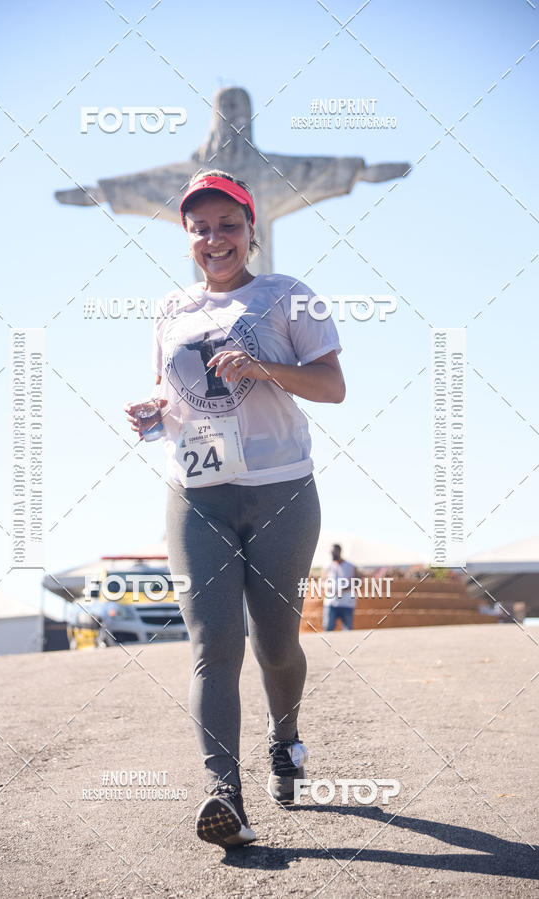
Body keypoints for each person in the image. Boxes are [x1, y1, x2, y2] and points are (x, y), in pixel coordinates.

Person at [125, 170, 345, 849]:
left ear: (251, 229)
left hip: (281, 490)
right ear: (187, 237)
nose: (214, 238)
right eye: (201, 228)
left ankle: (286, 740)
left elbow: (332, 386)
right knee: (214, 644)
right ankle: (226, 797)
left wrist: (262, 367)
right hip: (196, 493)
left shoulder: (289, 297)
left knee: (276, 645)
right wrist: (150, 415)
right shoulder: (170, 309)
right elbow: (174, 398)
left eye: (228, 224)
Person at [323, 544, 359, 631]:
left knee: (347, 630)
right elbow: (323, 580)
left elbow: (358, 582)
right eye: (331, 552)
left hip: (347, 603)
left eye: (334, 552)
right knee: (328, 628)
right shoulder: (327, 566)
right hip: (330, 603)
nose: (332, 554)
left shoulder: (351, 566)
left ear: (339, 552)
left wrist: (344, 589)